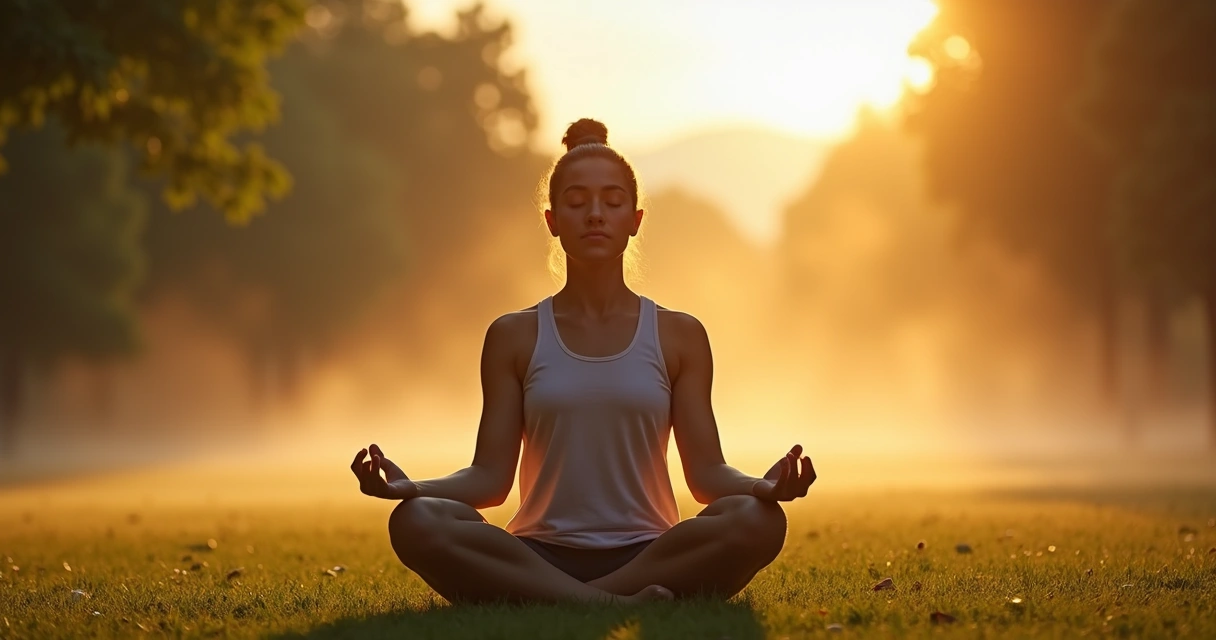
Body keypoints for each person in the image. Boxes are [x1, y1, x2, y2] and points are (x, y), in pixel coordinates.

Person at [350, 118, 816, 605]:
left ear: (635, 220)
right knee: (416, 519)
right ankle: (607, 603)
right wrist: (413, 487)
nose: (595, 214)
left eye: (612, 203)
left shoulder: (680, 335)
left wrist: (763, 486)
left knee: (757, 519)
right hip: (538, 551)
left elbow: (706, 476)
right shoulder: (513, 336)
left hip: (650, 553)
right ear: (552, 221)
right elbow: (489, 479)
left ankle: (559, 600)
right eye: (577, 203)